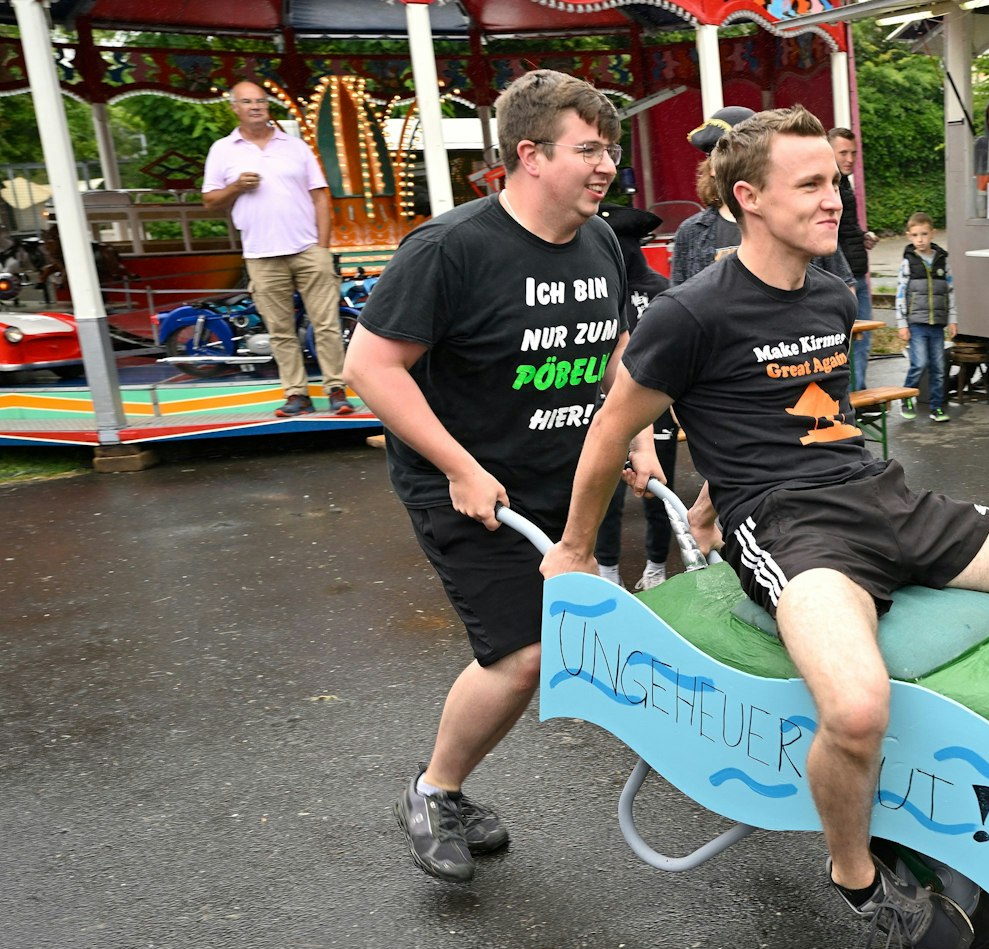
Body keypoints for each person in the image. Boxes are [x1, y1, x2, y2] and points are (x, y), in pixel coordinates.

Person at [543, 107, 989, 949]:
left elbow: (779, 411)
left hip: (878, 493)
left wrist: (708, 492)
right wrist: (572, 549)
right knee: (857, 708)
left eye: (837, 181)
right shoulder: (690, 311)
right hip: (790, 530)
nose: (837, 201)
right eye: (813, 185)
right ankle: (856, 874)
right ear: (748, 197)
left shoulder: (829, 293)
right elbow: (609, 434)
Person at [344, 69, 634, 883]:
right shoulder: (450, 248)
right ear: (528, 154)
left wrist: (634, 433)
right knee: (528, 653)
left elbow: (615, 343)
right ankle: (435, 791)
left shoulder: (600, 238)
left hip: (565, 475)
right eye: (588, 148)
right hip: (471, 490)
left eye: (609, 147)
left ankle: (450, 788)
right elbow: (369, 364)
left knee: (580, 640)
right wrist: (459, 467)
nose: (606, 163)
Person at [202, 79, 351, 419]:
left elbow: (319, 195)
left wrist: (323, 248)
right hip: (260, 253)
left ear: (267, 107)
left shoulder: (295, 146)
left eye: (260, 101)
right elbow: (209, 201)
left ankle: (336, 388)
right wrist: (237, 186)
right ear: (234, 108)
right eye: (247, 101)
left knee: (326, 323)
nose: (255, 106)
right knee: (280, 329)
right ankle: (296, 394)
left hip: (306, 249)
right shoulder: (223, 150)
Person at [590, 201, 681, 592]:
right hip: (605, 406)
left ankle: (656, 566)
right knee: (603, 489)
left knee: (656, 489)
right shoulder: (597, 292)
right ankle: (608, 570)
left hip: (654, 406)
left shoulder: (662, 294)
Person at [670, 109, 854, 291]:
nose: (833, 202)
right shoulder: (691, 232)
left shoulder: (804, 222)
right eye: (724, 156)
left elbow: (844, 286)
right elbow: (679, 295)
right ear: (713, 168)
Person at [895, 211, 956, 424]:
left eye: (924, 234)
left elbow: (950, 291)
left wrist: (953, 319)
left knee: (939, 368)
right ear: (908, 236)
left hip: (937, 324)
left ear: (932, 234)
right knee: (919, 364)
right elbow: (901, 294)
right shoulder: (908, 263)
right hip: (917, 323)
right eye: (915, 235)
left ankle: (937, 407)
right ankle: (907, 398)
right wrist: (902, 324)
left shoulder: (942, 261)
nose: (920, 239)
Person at [829, 126, 877, 391]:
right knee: (851, 338)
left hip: (855, 269)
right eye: (843, 153)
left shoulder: (843, 184)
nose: (850, 159)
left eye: (853, 153)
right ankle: (852, 397)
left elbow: (846, 228)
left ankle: (857, 392)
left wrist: (863, 235)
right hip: (844, 276)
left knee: (860, 337)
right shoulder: (832, 186)